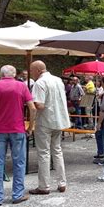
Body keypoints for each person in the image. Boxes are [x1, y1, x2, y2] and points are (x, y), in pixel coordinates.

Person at [0, 65, 36, 206]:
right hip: (17, 128)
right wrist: (30, 127)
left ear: (1, 74)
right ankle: (17, 195)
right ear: (14, 74)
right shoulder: (21, 86)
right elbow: (32, 108)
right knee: (19, 162)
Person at [29, 60, 70, 195]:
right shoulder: (58, 80)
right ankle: (62, 183)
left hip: (45, 121)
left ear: (38, 70)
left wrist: (28, 103)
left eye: (32, 71)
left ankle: (44, 186)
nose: (31, 73)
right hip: (58, 120)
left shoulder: (40, 83)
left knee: (44, 154)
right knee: (57, 151)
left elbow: (39, 105)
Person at [94, 77, 104, 162]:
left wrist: (99, 122)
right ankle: (101, 152)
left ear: (103, 83)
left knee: (99, 134)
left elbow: (103, 109)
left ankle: (101, 152)